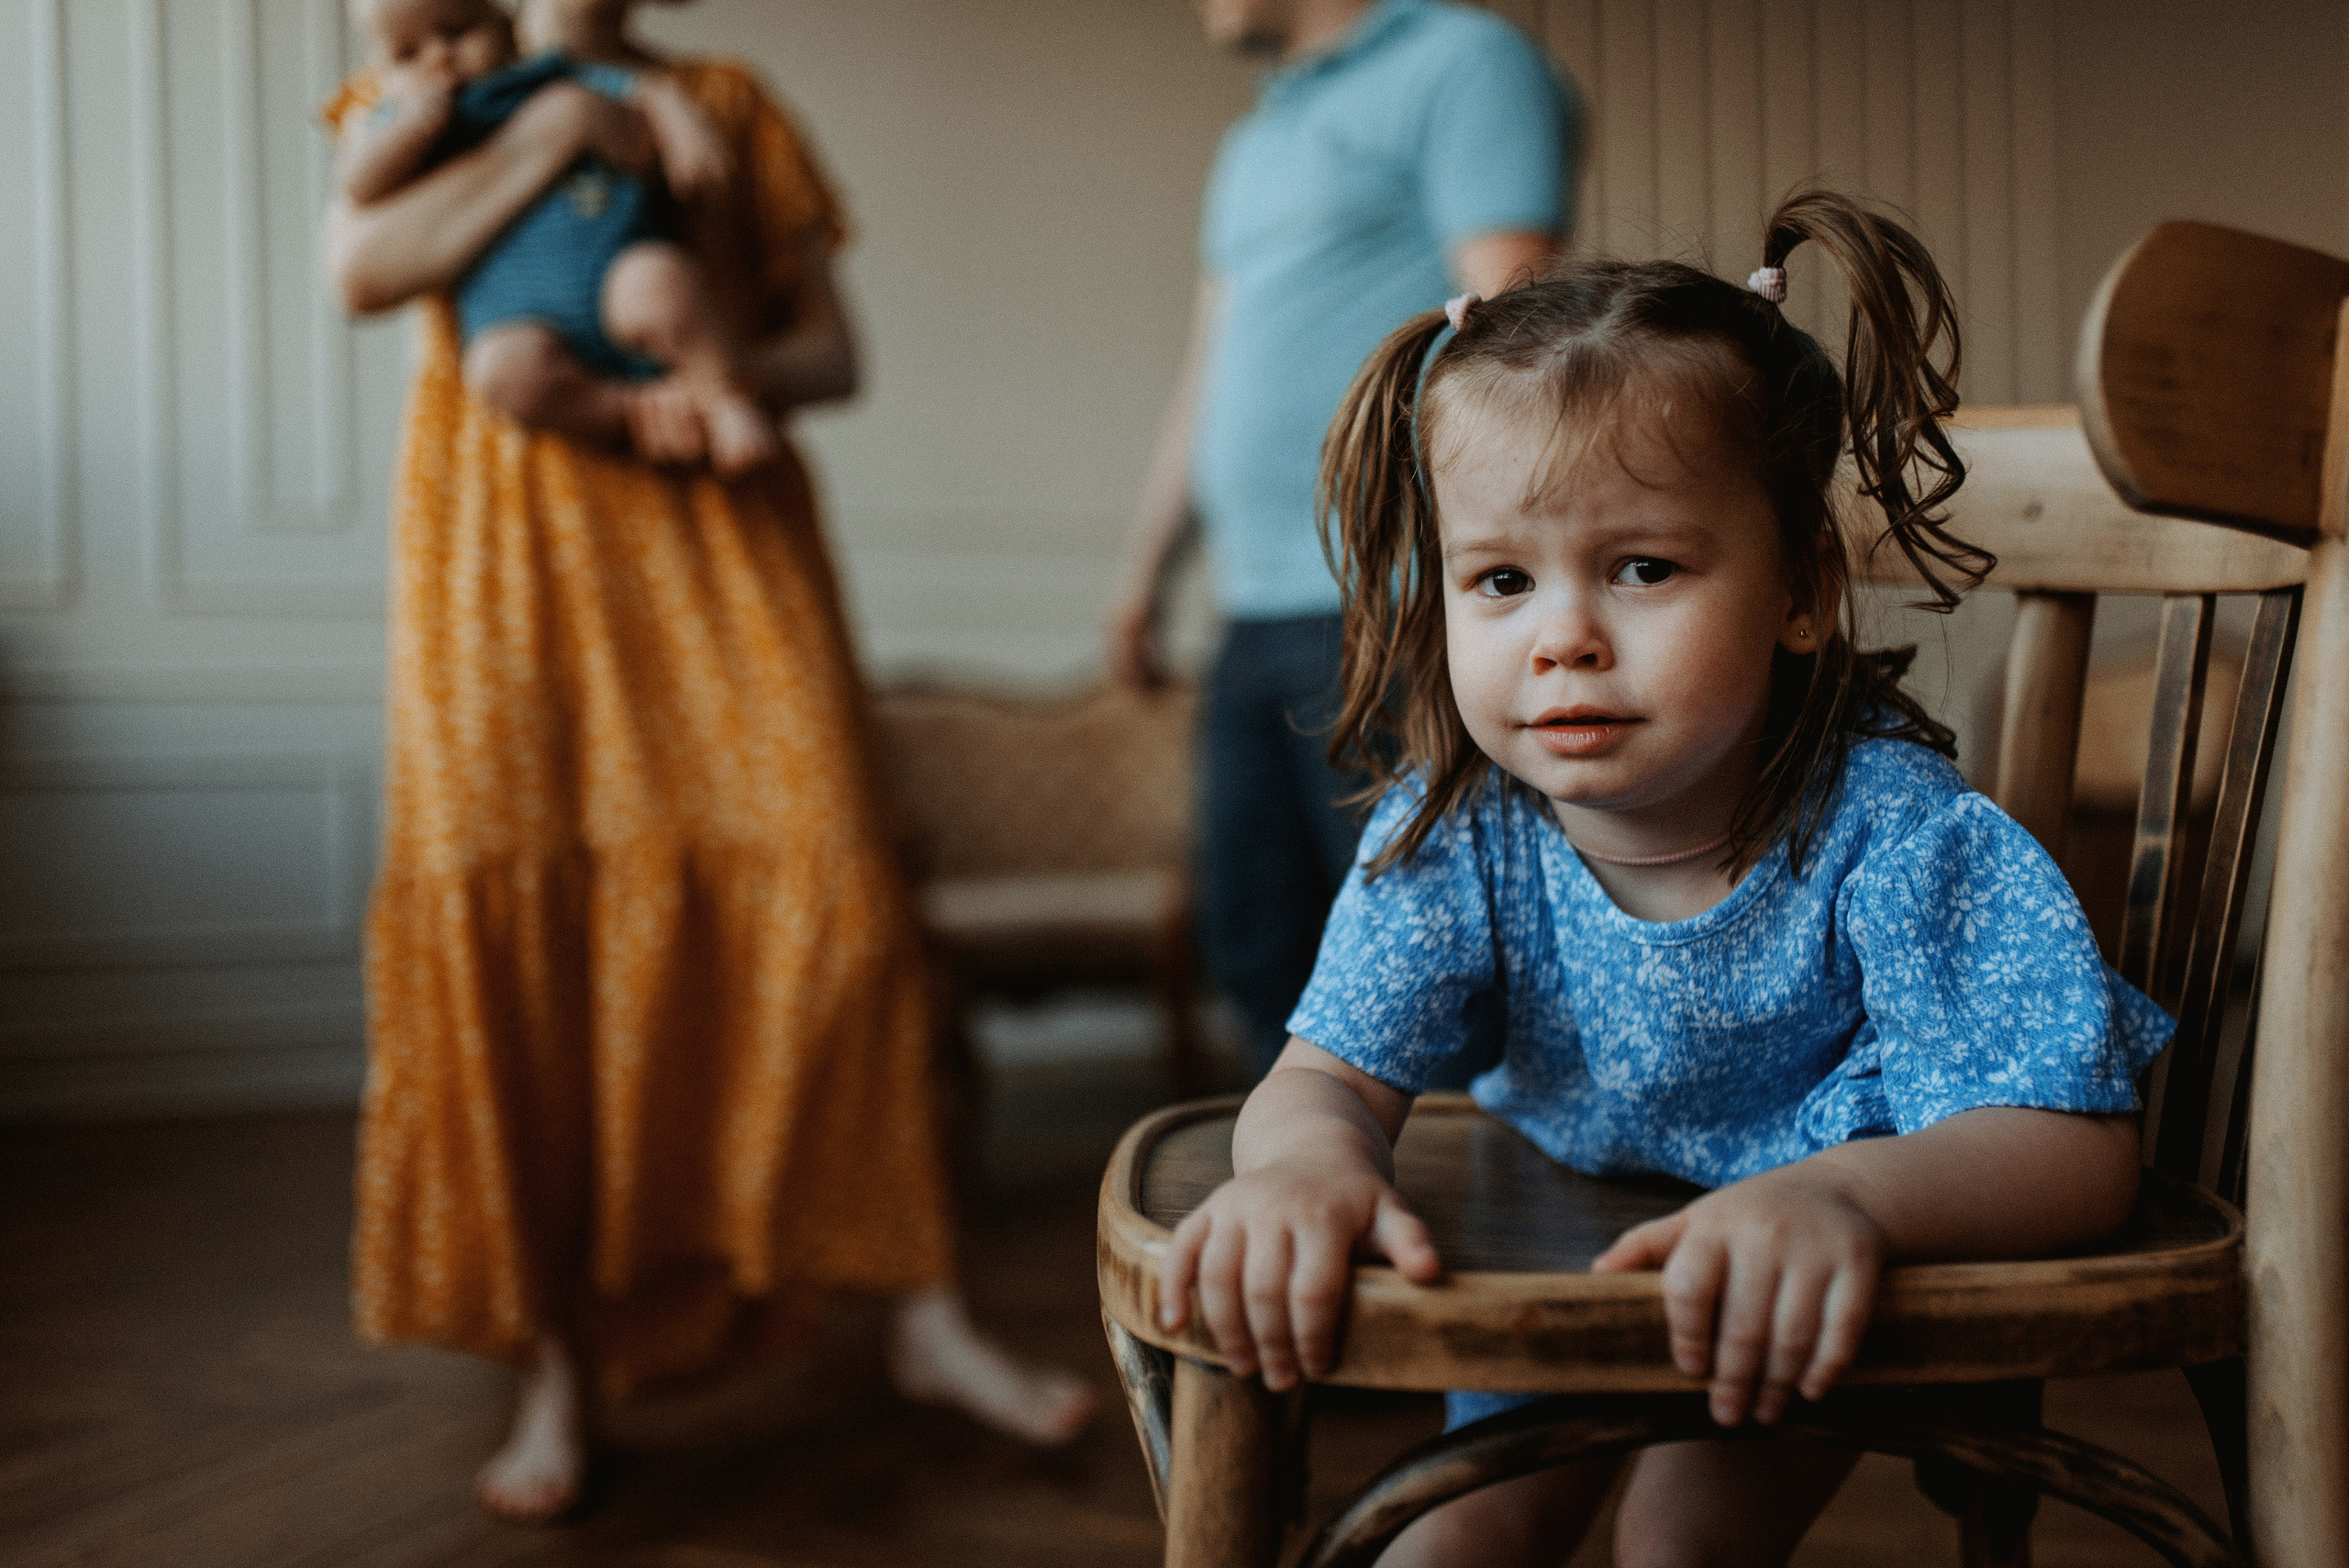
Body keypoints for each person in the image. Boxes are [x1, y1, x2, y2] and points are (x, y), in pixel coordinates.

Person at [1155, 193, 2170, 1566]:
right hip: (1572, 1223)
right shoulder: (1463, 826)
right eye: (1501, 580)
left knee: (1681, 1545)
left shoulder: (1895, 835)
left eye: (1642, 567)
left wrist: (1848, 1197)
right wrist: (1305, 1172)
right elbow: (1328, 1071)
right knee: (1441, 1552)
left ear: (1802, 592)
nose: (1562, 637)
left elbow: (2073, 1139)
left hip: (1818, 1245)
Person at [321, 0, 1091, 1525]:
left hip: (722, 529)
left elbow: (833, 355)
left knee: (838, 904)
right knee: (531, 933)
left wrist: (711, 363)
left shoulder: (731, 100)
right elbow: (362, 268)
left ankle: (927, 1316)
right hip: (506, 564)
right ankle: (560, 1364)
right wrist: (559, 131)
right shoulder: (433, 83)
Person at [1108, 0, 1578, 1076]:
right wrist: (1144, 575)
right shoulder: (1257, 135)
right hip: (1253, 603)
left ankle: (1465, 1225)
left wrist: (1509, 577)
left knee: (1438, 959)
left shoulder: (1465, 63)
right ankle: (1306, 1192)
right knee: (1259, 940)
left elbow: (1517, 325)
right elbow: (1209, 375)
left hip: (1391, 598)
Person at [340, 0, 781, 475]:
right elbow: (359, 189)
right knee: (500, 371)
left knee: (662, 279)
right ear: (381, 67)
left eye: (456, 32)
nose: (437, 59)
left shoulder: (552, 77)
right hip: (518, 317)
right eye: (407, 54)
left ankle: (725, 399)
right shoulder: (393, 117)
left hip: (613, 280)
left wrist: (678, 121)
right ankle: (631, 412)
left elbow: (642, 98)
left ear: (507, 28)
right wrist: (412, 129)